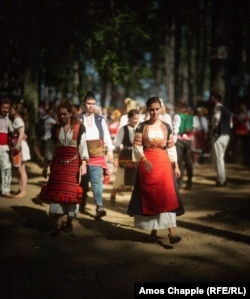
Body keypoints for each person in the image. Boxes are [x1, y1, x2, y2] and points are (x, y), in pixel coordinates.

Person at [127, 96, 184, 244]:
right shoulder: (141, 126)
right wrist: (144, 160)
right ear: (147, 110)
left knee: (167, 196)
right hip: (147, 164)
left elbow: (171, 146)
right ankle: (153, 231)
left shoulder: (166, 126)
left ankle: (172, 233)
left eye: (157, 109)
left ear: (160, 109)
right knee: (152, 197)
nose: (154, 112)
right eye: (151, 110)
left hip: (163, 164)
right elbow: (137, 146)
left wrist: (176, 166)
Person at [39, 99, 89, 235]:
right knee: (57, 192)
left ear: (71, 113)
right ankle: (58, 223)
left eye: (65, 114)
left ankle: (69, 221)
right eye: (60, 114)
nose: (62, 117)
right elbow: (50, 147)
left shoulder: (79, 127)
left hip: (73, 164)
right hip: (58, 163)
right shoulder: (55, 128)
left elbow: (83, 146)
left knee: (70, 192)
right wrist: (46, 165)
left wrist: (83, 164)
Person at [80, 91, 114, 219]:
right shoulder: (78, 119)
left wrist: (110, 150)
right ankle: (81, 204)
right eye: (88, 103)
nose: (91, 106)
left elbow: (106, 136)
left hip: (97, 155)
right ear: (84, 104)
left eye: (93, 104)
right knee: (82, 183)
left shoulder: (100, 120)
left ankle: (99, 207)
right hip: (81, 154)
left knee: (96, 181)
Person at [110, 109, 140, 205]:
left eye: (137, 119)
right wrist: (115, 158)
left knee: (135, 177)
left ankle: (134, 201)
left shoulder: (140, 129)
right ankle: (113, 194)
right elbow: (117, 145)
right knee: (121, 176)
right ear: (129, 118)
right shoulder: (123, 129)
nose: (136, 121)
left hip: (136, 155)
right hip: (125, 155)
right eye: (134, 118)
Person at [8, 103, 31, 198]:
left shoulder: (17, 120)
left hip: (19, 146)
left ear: (16, 111)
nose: (10, 110)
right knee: (20, 169)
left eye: (12, 109)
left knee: (21, 169)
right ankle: (21, 188)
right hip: (19, 145)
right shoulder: (18, 120)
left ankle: (23, 190)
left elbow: (21, 133)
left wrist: (17, 145)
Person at [210, 91, 233, 186]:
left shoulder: (217, 108)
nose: (211, 99)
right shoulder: (228, 111)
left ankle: (221, 180)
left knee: (218, 158)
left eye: (212, 98)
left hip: (218, 136)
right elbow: (231, 124)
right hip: (226, 135)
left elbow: (216, 117)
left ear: (215, 99)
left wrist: (213, 127)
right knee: (221, 157)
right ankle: (222, 178)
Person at [172, 98, 194, 190]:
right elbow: (193, 127)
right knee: (189, 161)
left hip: (180, 140)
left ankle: (179, 184)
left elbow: (175, 129)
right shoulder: (190, 115)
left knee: (180, 162)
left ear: (180, 105)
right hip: (188, 140)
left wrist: (173, 141)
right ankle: (189, 182)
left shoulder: (178, 116)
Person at [0, 97, 13, 198]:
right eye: (3, 107)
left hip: (5, 147)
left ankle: (6, 190)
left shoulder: (10, 118)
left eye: (7, 108)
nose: (5, 109)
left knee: (6, 168)